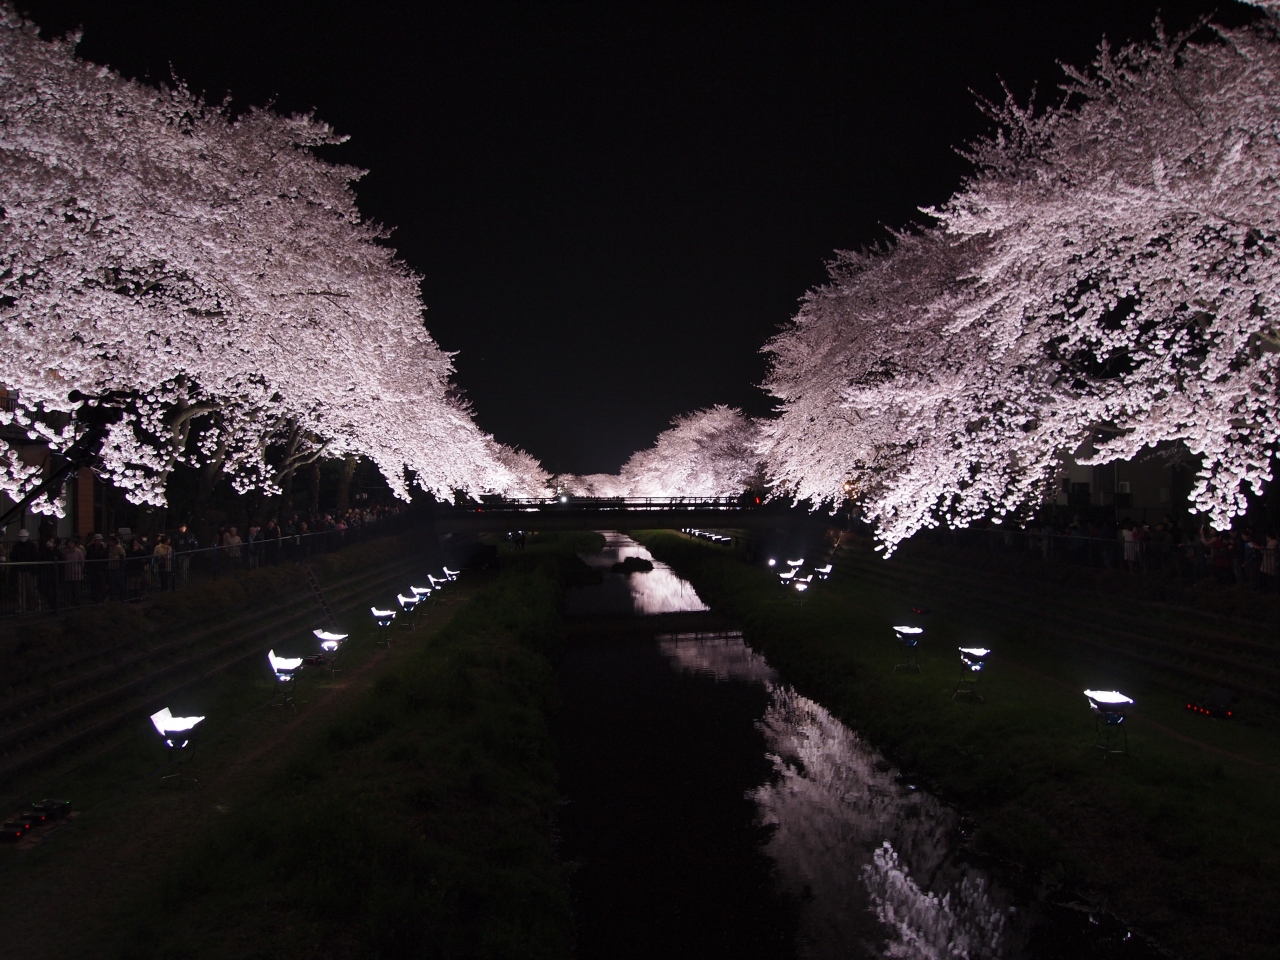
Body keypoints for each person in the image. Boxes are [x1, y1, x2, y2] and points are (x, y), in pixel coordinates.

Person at [10, 528, 39, 613]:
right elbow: (13, 556)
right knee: (22, 590)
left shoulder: (31, 546)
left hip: (29, 570)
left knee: (32, 589)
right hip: (21, 570)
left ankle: (34, 606)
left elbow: (35, 557)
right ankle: (23, 606)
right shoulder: (17, 546)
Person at [86, 532, 109, 602]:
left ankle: (102, 598)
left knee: (101, 584)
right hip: (93, 568)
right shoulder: (90, 548)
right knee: (93, 584)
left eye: (99, 540)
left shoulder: (104, 548)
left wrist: (103, 567)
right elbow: (88, 557)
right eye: (96, 540)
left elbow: (106, 559)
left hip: (101, 569)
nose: (98, 541)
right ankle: (94, 599)